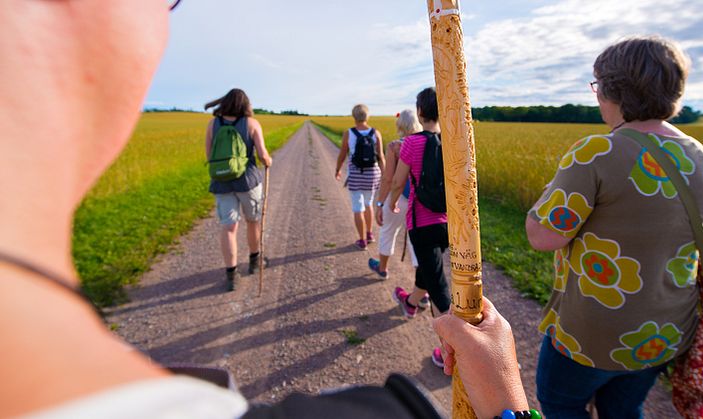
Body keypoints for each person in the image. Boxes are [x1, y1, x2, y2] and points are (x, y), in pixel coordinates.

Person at [0, 1, 536, 417]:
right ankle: (258, 262)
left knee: (236, 225)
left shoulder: (228, 124)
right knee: (261, 223)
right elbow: (268, 155)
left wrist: (382, 196)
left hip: (248, 187)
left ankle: (244, 266)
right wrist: (510, 409)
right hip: (298, 190)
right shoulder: (390, 413)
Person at [525, 36, 703, 418]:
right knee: (625, 408)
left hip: (593, 333)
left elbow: (543, 237)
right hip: (665, 329)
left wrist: (546, 198)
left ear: (613, 89)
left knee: (561, 403)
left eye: (598, 86)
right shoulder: (700, 157)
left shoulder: (596, 152)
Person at [387, 88, 450, 369]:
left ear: (420, 112)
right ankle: (412, 301)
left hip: (421, 223)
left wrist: (390, 203)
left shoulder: (411, 143)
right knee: (429, 267)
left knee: (439, 288)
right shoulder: (453, 140)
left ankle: (450, 351)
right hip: (448, 223)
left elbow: (399, 182)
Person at [205, 89, 272, 292]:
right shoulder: (251, 124)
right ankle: (254, 261)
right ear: (246, 104)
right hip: (247, 181)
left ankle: (231, 275)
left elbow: (209, 156)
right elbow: (262, 155)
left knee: (228, 227)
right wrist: (268, 161)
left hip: (222, 182)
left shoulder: (213, 124)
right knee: (253, 221)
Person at [368, 109, 421, 280]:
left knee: (388, 231)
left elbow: (388, 179)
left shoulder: (395, 146)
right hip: (419, 201)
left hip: (397, 199)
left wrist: (380, 204)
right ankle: (423, 290)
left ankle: (382, 269)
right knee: (418, 243)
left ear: (400, 125)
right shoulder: (426, 143)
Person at [334, 104, 385, 250]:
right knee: (369, 203)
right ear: (367, 116)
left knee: (358, 207)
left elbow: (343, 154)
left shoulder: (348, 133)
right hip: (372, 174)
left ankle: (362, 240)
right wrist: (386, 174)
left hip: (356, 174)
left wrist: (338, 169)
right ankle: (369, 234)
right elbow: (381, 156)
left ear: (354, 117)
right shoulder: (376, 133)